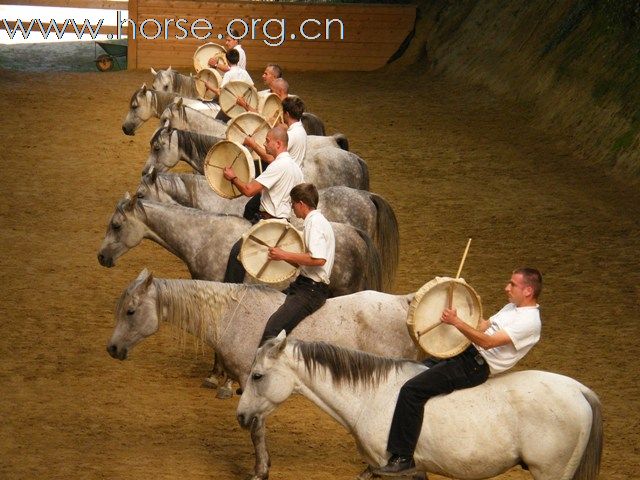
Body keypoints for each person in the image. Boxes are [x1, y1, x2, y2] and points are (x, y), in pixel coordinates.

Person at [374, 268, 543, 476]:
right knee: (414, 371)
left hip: (476, 365)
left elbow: (487, 342)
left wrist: (456, 322)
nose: (506, 288)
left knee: (412, 390)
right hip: (464, 351)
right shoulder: (512, 308)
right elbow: (482, 327)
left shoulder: (529, 322)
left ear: (527, 291)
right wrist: (459, 309)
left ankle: (403, 457)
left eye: (512, 284)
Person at [222, 125, 304, 283]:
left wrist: (232, 177)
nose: (265, 144)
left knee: (236, 253)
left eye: (267, 141)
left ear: (278, 144)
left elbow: (248, 190)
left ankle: (231, 289)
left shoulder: (278, 165)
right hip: (283, 222)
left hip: (270, 224)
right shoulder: (296, 168)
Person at [258, 182, 335, 346]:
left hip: (311, 290)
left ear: (301, 203)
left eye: (293, 204)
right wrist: (282, 256)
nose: (292, 208)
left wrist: (283, 254)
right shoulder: (314, 221)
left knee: (272, 331)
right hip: (303, 284)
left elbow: (319, 259)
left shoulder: (315, 223)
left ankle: (265, 371)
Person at [244, 96, 307, 167]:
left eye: (283, 112)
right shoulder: (300, 129)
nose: (281, 115)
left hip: (285, 174)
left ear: (287, 114)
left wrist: (252, 144)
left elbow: (270, 158)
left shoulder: (292, 134)